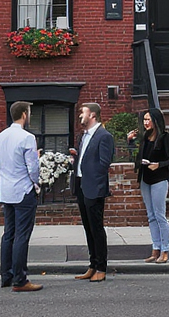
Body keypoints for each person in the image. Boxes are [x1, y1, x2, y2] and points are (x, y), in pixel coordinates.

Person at [0, 101, 43, 292]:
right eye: (29, 112)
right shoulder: (27, 137)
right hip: (23, 190)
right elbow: (32, 167)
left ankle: (6, 275)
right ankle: (20, 279)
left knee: (9, 234)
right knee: (22, 235)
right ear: (24, 114)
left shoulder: (0, 136)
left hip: (6, 190)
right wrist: (36, 184)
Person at [69, 102, 114, 282]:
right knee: (88, 228)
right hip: (81, 185)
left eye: (83, 113)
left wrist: (94, 180)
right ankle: (92, 264)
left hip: (94, 187)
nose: (80, 115)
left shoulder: (104, 136)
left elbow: (104, 163)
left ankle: (101, 267)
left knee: (96, 228)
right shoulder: (83, 136)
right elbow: (86, 159)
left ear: (93, 115)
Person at [126, 107, 169, 263]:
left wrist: (158, 165)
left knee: (160, 215)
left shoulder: (165, 137)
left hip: (159, 178)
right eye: (144, 120)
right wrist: (130, 142)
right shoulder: (145, 137)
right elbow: (136, 157)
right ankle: (155, 248)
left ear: (156, 120)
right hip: (145, 178)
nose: (146, 123)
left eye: (149, 120)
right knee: (151, 215)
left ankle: (165, 250)